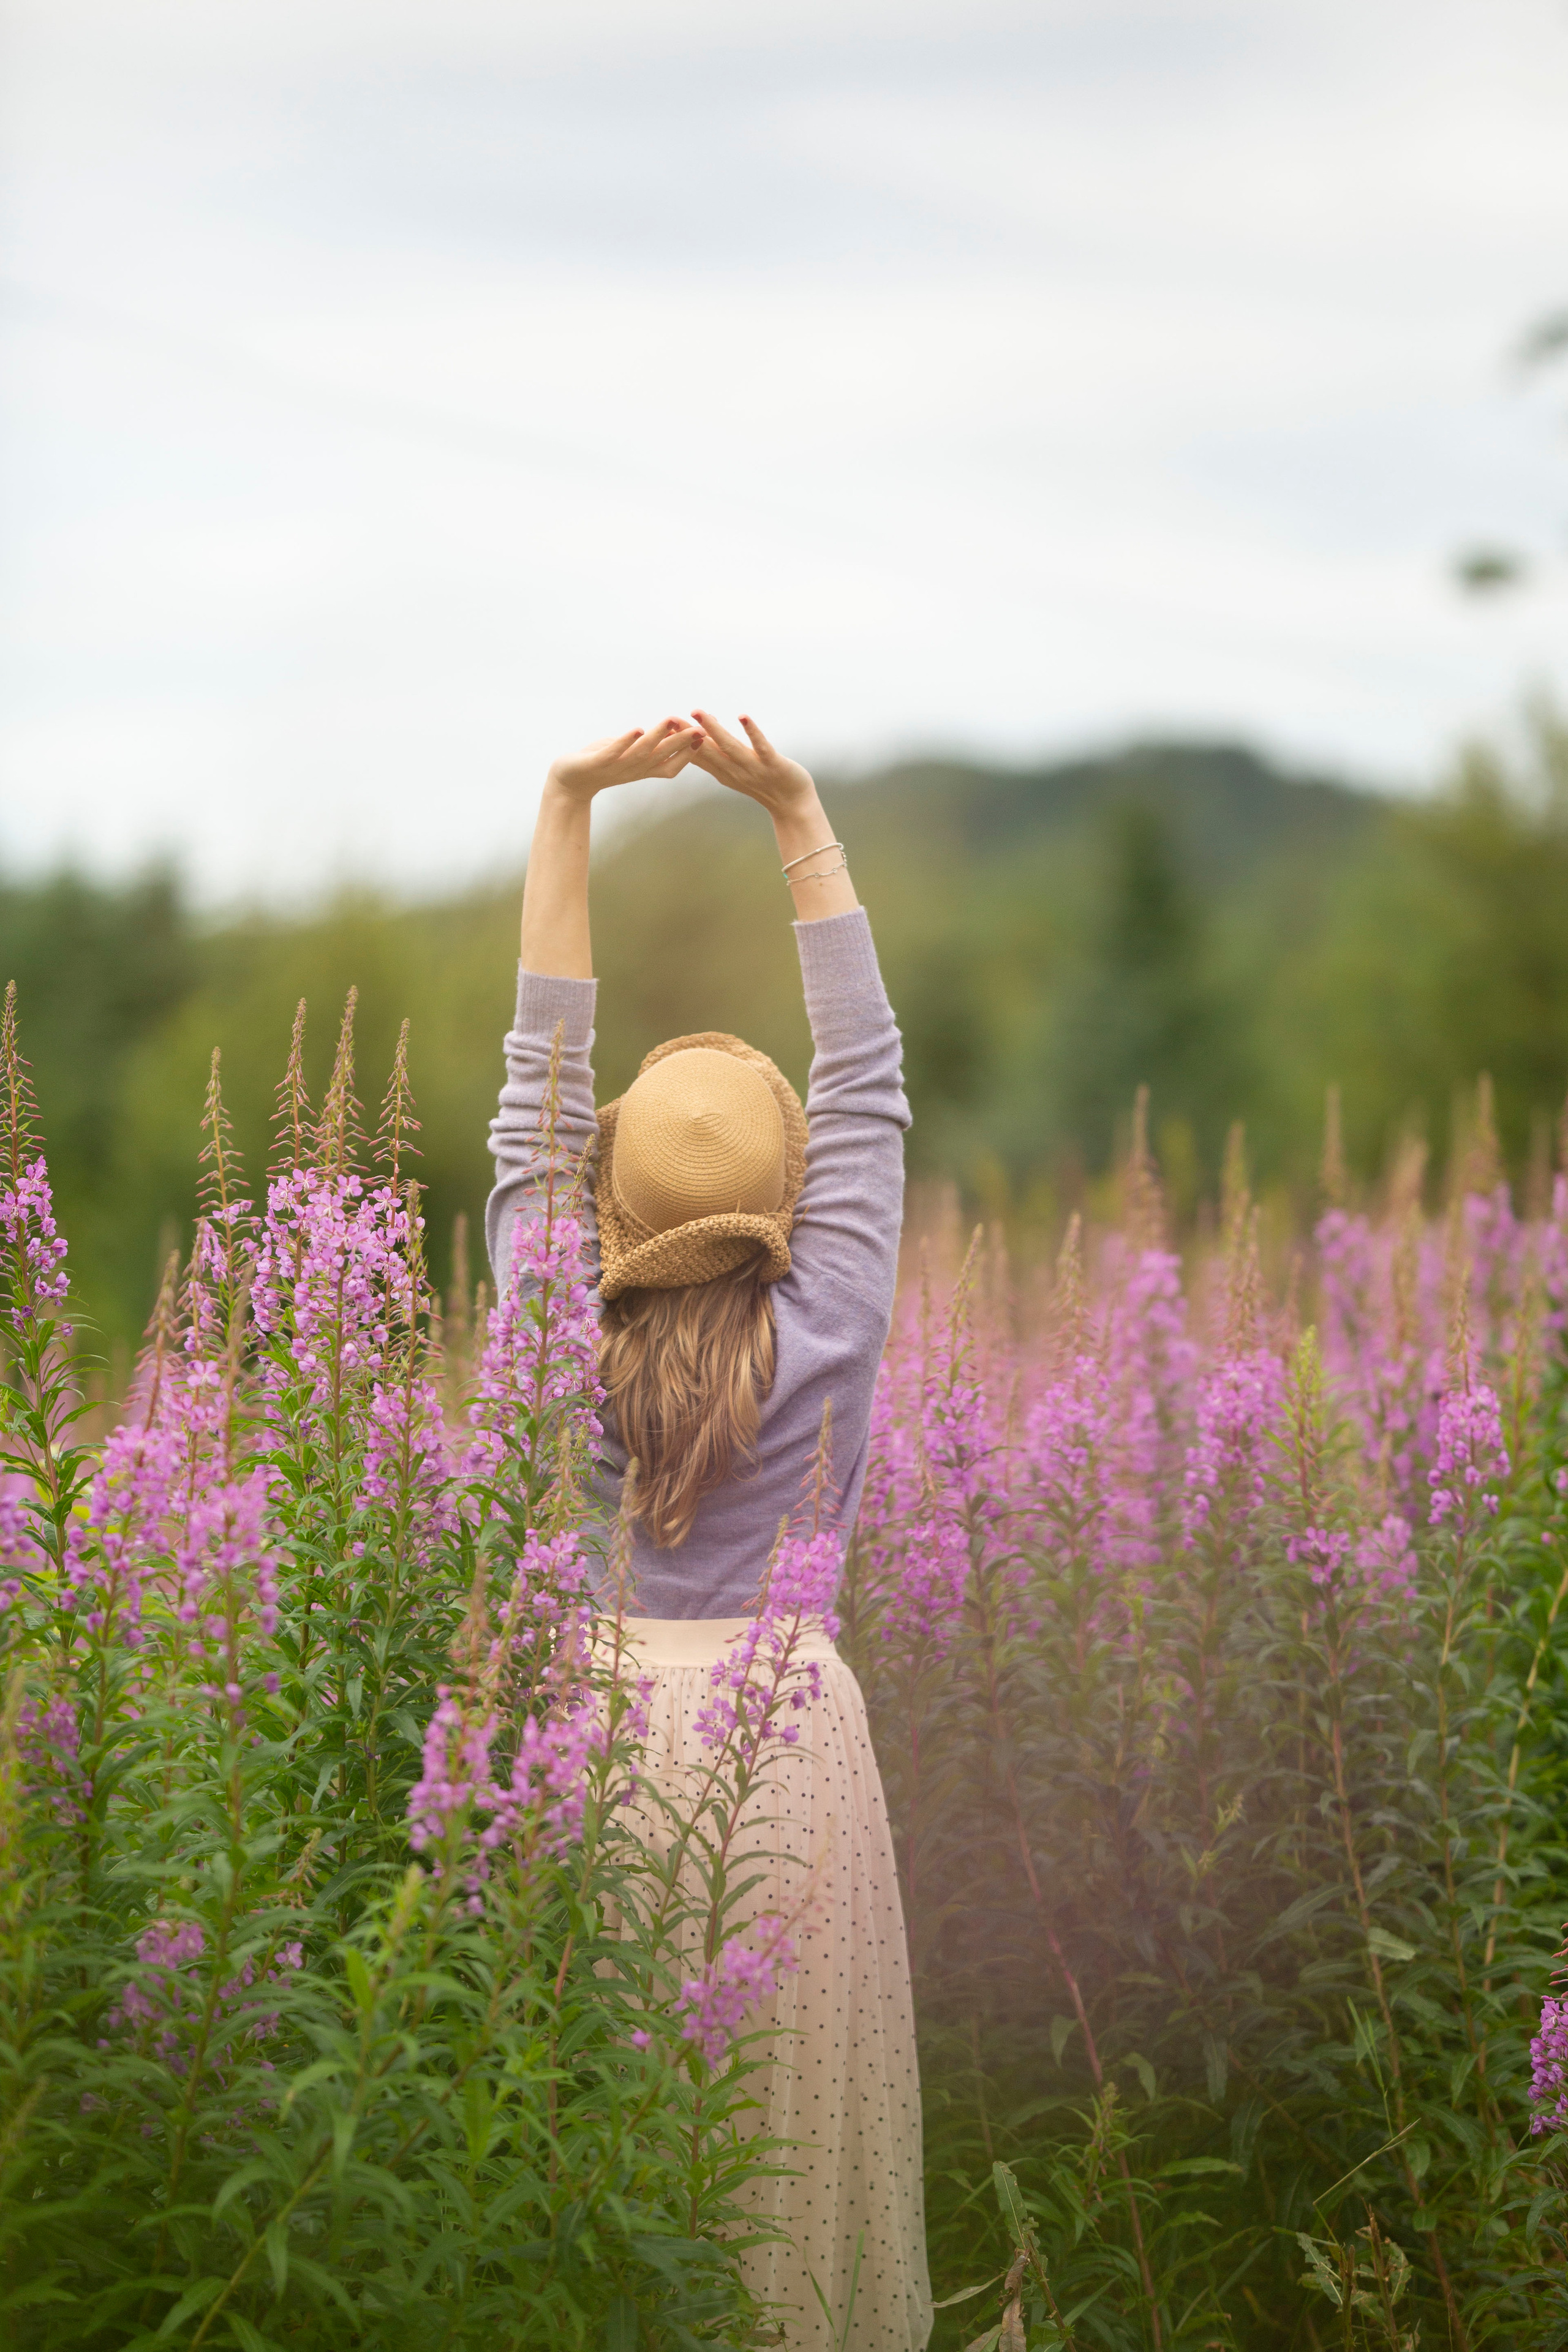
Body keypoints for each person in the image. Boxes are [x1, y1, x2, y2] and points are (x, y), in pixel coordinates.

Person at [485, 712, 932, 2352]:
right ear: (797, 1201)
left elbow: (534, 1094)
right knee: (784, 2161)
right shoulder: (834, 1322)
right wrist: (798, 816)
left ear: (604, 1202)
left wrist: (565, 807)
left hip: (583, 1734)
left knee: (597, 2161)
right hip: (784, 1744)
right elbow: (870, 1080)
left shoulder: (547, 1316)